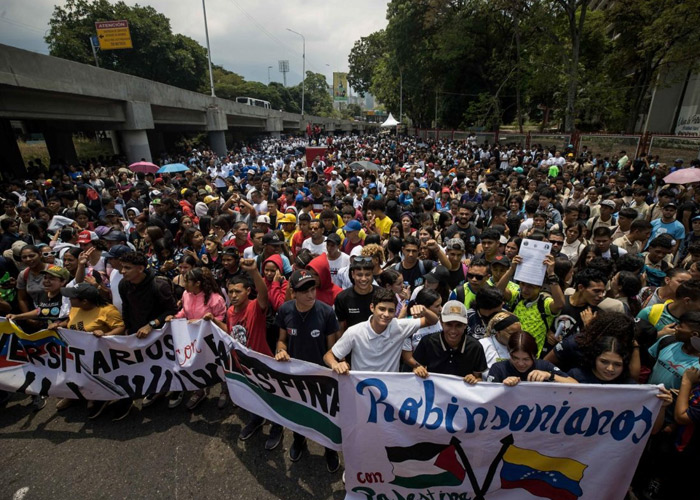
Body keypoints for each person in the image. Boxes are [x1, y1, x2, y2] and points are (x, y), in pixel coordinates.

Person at [272, 269, 341, 470]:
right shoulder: (285, 310)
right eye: (304, 291)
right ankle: (299, 439)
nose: (311, 295)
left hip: (321, 377)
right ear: (293, 293)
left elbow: (331, 349)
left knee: (326, 415)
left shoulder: (327, 312)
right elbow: (282, 340)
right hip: (295, 376)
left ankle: (330, 448)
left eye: (313, 289)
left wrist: (334, 365)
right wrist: (281, 351)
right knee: (298, 411)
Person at [205, 259, 271, 438]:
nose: (233, 295)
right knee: (251, 397)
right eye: (231, 291)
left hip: (262, 365)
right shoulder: (230, 311)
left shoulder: (255, 307)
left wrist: (254, 272)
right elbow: (231, 331)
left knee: (271, 400)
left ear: (248, 291)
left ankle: (276, 429)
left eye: (238, 291)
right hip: (242, 365)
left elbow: (264, 294)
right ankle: (256, 421)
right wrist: (214, 321)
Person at [116, 251, 178, 420]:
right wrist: (128, 328)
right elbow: (126, 307)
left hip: (161, 334)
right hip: (138, 333)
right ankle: (155, 388)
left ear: (141, 269)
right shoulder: (124, 285)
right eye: (122, 267)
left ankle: (175, 389)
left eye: (127, 268)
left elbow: (172, 310)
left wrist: (151, 325)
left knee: (167, 363)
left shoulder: (158, 285)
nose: (122, 271)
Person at [52, 282, 125, 416]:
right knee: (73, 375)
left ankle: (97, 398)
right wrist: (59, 325)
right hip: (76, 351)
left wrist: (105, 335)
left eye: (72, 297)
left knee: (94, 377)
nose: (69, 299)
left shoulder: (107, 310)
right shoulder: (75, 308)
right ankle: (73, 396)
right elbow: (70, 322)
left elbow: (120, 327)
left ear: (84, 301)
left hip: (99, 354)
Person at [324, 288, 438, 373]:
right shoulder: (354, 332)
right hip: (361, 392)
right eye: (382, 309)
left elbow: (433, 321)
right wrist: (336, 364)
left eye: (391, 311)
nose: (386, 314)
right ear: (372, 308)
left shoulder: (400, 326)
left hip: (390, 393)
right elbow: (329, 355)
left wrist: (425, 311)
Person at [164, 267, 227, 410]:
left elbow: (221, 318)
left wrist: (209, 319)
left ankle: (224, 390)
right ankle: (199, 390)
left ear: (197, 283)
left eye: (186, 281)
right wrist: (175, 318)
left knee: (217, 364)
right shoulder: (186, 294)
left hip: (210, 339)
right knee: (197, 364)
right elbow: (184, 312)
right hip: (192, 339)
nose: (183, 283)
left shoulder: (215, 299)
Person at [403, 300, 487, 382]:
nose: (453, 330)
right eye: (449, 324)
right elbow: (415, 369)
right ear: (441, 322)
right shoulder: (428, 342)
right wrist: (417, 370)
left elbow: (479, 378)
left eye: (458, 325)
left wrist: (473, 379)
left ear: (465, 325)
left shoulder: (475, 347)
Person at [485, 331, 577, 385]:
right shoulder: (498, 369)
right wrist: (502, 387)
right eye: (515, 358)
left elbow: (576, 385)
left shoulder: (544, 366)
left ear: (534, 356)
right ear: (508, 353)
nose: (520, 363)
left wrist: (550, 376)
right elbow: (487, 397)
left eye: (526, 359)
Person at [334, 256, 377, 336]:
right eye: (359, 275)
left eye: (367, 274)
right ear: (353, 274)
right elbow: (340, 328)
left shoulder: (382, 294)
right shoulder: (342, 298)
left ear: (372, 274)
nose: (363, 279)